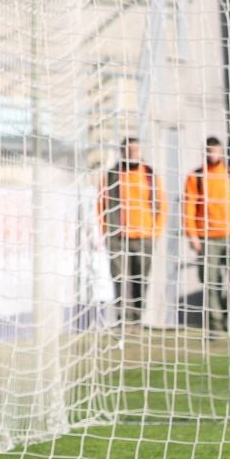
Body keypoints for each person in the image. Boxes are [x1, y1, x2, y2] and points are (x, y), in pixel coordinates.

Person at [184, 136, 230, 335]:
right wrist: (192, 234)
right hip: (208, 236)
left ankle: (226, 313)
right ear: (205, 152)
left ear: (221, 152)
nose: (213, 154)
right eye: (210, 151)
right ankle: (216, 323)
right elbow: (189, 208)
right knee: (211, 281)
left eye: (216, 151)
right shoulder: (196, 176)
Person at [98, 138, 164, 329]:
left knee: (140, 279)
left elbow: (162, 205)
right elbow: (101, 205)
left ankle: (136, 319)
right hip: (117, 237)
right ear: (122, 152)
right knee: (119, 279)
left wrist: (155, 231)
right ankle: (122, 320)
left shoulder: (150, 175)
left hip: (144, 238)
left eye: (137, 149)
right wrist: (105, 231)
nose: (134, 153)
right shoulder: (112, 176)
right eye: (130, 149)